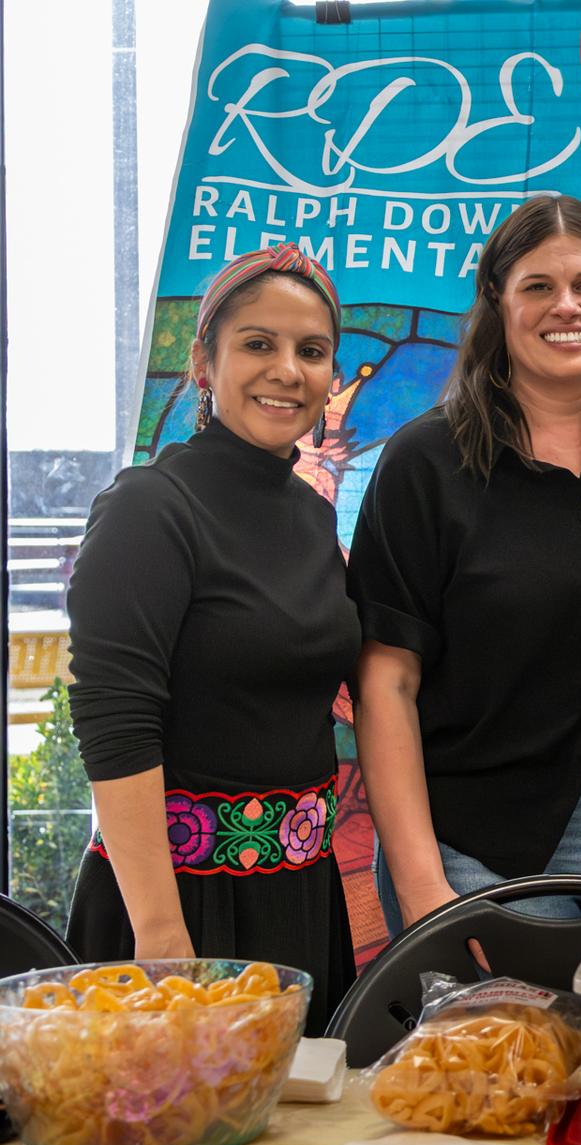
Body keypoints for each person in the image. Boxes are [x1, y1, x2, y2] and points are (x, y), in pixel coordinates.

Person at [349, 195, 581, 932]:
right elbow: (386, 682)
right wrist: (422, 889)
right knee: (504, 1052)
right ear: (497, 302)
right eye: (537, 286)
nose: (566, 307)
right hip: (483, 848)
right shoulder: (426, 463)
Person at [65, 244, 358, 1032]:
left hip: (298, 895)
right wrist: (163, 939)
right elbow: (114, 722)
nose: (286, 370)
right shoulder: (149, 507)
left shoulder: (312, 517)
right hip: (174, 910)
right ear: (203, 360)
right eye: (258, 344)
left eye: (311, 350)